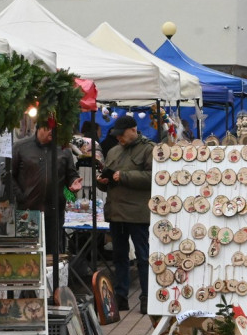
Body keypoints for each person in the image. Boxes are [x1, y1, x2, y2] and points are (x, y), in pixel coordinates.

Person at [96, 114, 154, 313]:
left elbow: (153, 177)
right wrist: (102, 182)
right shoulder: (113, 151)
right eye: (117, 135)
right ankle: (121, 296)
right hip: (116, 213)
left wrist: (124, 176)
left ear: (133, 130)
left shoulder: (149, 149)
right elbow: (110, 180)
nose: (119, 138)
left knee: (143, 257)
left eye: (122, 134)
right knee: (119, 257)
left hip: (138, 214)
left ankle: (146, 297)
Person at [11, 123, 83, 253]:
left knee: (53, 253)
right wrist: (21, 196)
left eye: (54, 129)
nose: (52, 132)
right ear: (39, 129)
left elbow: (71, 174)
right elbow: (9, 176)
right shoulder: (20, 147)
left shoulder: (63, 149)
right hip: (28, 212)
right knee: (29, 253)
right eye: (48, 128)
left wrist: (73, 184)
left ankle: (51, 274)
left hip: (54, 212)